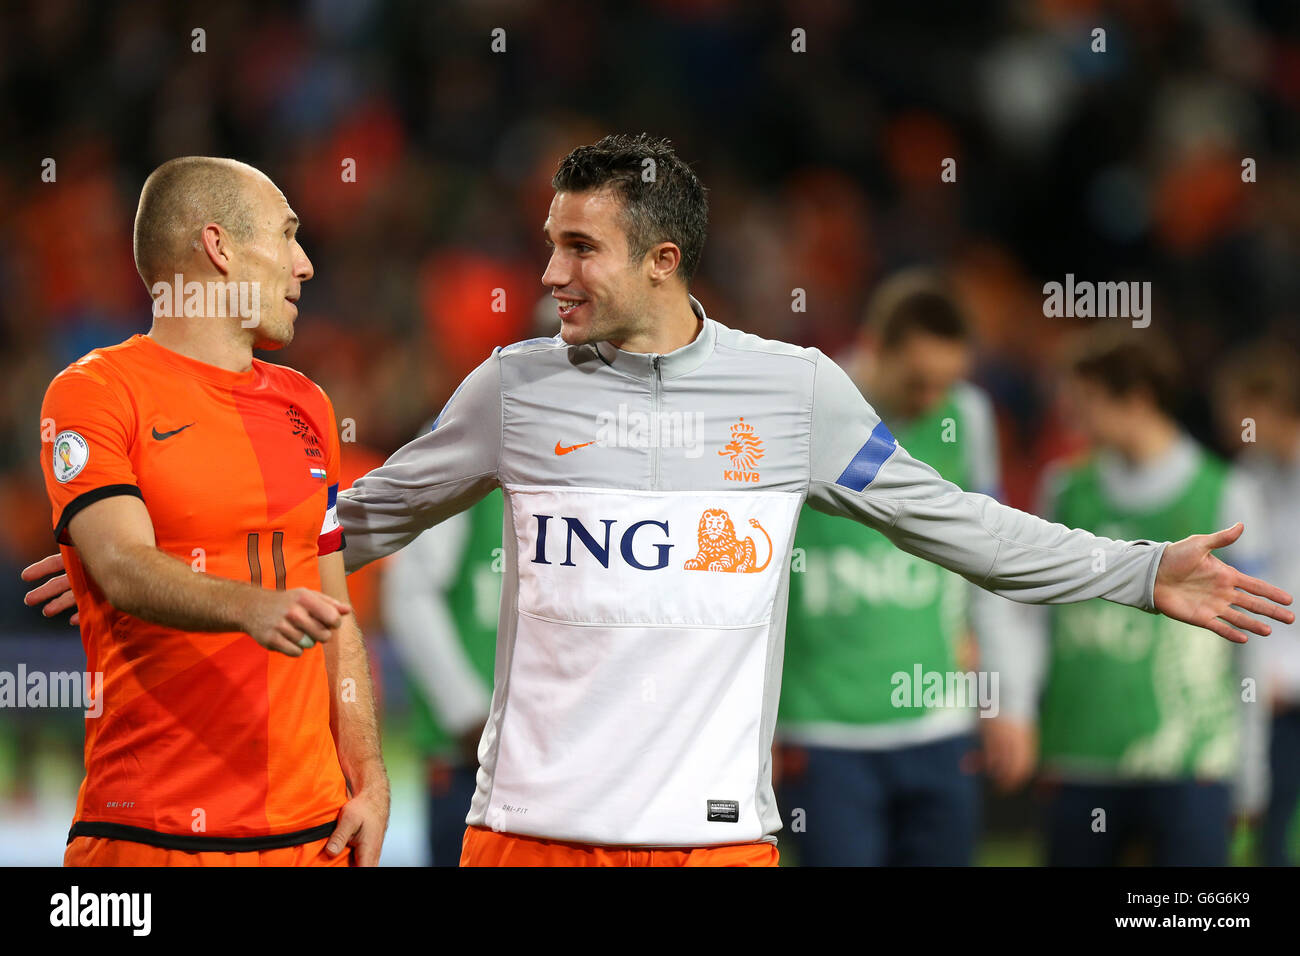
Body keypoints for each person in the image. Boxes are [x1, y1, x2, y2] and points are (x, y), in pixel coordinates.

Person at [30, 135, 1293, 868]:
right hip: (520, 834)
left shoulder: (792, 394)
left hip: (715, 845)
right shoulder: (513, 388)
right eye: (545, 241)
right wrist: (146, 555)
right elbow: (348, 521)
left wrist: (1136, 569)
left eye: (577, 248)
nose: (548, 272)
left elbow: (960, 522)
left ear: (661, 259)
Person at [23, 157, 389, 866]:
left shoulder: (307, 404)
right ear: (219, 248)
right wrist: (253, 607)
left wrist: (370, 778)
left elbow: (333, 613)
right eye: (287, 237)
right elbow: (124, 567)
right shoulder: (95, 392)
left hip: (313, 838)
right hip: (150, 837)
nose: (305, 265)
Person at [775, 270, 1020, 865]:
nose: (932, 401)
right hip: (826, 730)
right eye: (918, 383)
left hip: (938, 723)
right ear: (873, 347)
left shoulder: (968, 417)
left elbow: (986, 559)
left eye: (945, 383)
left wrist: (1006, 701)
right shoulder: (803, 411)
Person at [1009, 328, 1268, 866]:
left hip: (1191, 757)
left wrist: (1250, 767)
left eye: (1086, 400)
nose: (1071, 414)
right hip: (1080, 752)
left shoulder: (1223, 492)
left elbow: (1253, 640)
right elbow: (1030, 617)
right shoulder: (1065, 489)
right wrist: (1018, 710)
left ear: (1138, 397)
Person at [1214, 340, 1300, 865]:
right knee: (1267, 825)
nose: (1228, 420)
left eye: (1236, 407)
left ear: (1267, 406)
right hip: (1277, 688)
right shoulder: (1246, 476)